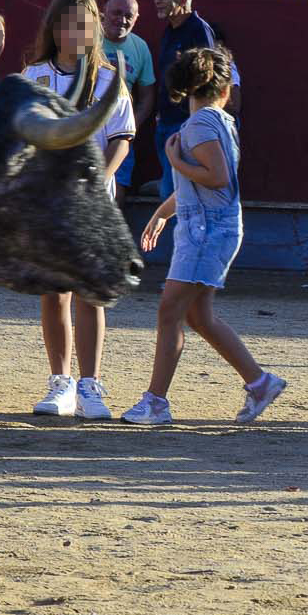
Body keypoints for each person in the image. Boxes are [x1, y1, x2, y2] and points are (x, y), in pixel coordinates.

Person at [126, 47, 285, 426]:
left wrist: (174, 159)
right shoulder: (220, 121)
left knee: (170, 313)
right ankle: (260, 382)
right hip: (212, 228)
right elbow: (201, 185)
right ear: (222, 87)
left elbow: (216, 178)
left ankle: (156, 402)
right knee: (198, 316)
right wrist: (163, 213)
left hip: (206, 232)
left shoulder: (198, 126)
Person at [23, 0, 138, 419]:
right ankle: (61, 382)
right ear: (53, 28)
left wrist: (98, 182)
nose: (74, 32)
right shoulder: (34, 75)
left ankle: (91, 384)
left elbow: (121, 141)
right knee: (55, 293)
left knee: (91, 294)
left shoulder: (110, 79)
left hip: (93, 205)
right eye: (66, 23)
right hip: (50, 202)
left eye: (83, 24)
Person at [151, 0, 235, 168]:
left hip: (186, 124)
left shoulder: (199, 31)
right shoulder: (170, 30)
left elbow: (209, 80)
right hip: (167, 122)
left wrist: (194, 124)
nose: (157, 1)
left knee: (176, 191)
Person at [101, 0, 158, 194]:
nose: (122, 20)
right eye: (116, 13)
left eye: (128, 16)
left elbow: (147, 96)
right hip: (87, 131)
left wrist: (130, 127)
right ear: (104, 11)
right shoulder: (88, 41)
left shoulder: (140, 47)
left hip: (120, 133)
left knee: (117, 192)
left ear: (136, 19)